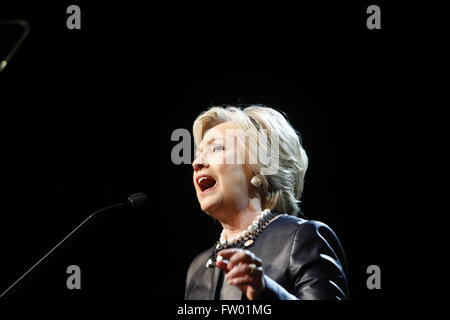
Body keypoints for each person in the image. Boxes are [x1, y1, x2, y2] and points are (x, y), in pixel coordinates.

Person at [185, 105, 349, 300]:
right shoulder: (198, 268)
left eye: (217, 148)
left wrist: (266, 292)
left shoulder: (302, 239)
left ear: (260, 167)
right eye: (198, 153)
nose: (197, 163)